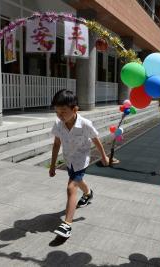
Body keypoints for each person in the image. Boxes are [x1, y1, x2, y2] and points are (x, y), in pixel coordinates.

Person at [49, 89, 109, 238]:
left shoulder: (85, 124)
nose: (60, 115)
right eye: (57, 112)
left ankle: (67, 224)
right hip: (69, 159)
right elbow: (56, 144)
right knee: (78, 180)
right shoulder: (58, 124)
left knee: (71, 187)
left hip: (81, 160)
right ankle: (88, 194)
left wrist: (104, 156)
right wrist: (52, 165)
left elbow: (96, 140)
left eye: (63, 111)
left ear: (75, 109)